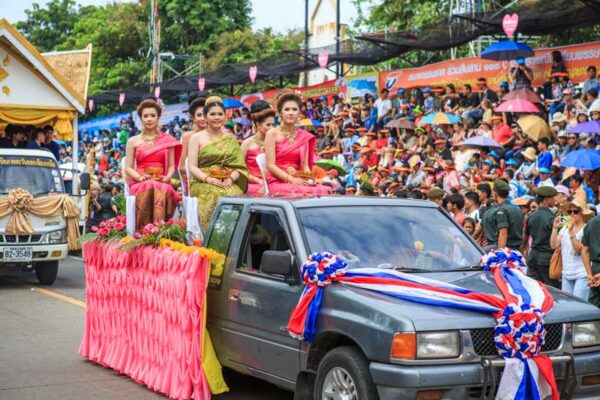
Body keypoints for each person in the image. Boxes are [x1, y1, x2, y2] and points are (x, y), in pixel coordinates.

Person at [188, 96, 249, 229]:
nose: (217, 117)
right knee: (216, 193)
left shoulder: (231, 139)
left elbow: (240, 168)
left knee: (235, 194)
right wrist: (208, 179)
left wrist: (230, 179)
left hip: (226, 179)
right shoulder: (196, 138)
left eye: (220, 114)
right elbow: (192, 166)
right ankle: (212, 236)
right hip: (202, 180)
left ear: (225, 116)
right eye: (212, 114)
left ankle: (234, 237)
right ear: (205, 117)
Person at [125, 99, 182, 232]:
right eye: (145, 116)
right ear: (140, 118)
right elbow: (128, 167)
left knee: (159, 186)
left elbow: (172, 166)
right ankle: (143, 231)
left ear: (158, 117)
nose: (149, 119)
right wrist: (139, 177)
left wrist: (167, 177)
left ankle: (159, 230)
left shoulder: (167, 140)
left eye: (153, 115)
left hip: (161, 179)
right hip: (140, 180)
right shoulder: (133, 141)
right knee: (149, 185)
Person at [263, 89, 332, 196]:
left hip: (298, 179)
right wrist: (290, 179)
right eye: (287, 109)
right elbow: (270, 165)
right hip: (278, 180)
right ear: (280, 112)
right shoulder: (272, 134)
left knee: (323, 189)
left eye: (294, 109)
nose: (291, 113)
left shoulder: (304, 136)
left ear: (299, 112)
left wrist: (310, 178)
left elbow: (305, 167)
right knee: (300, 191)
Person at [550, 199, 593, 301]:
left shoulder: (586, 228)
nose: (572, 214)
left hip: (582, 273)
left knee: (579, 305)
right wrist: (555, 229)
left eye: (575, 211)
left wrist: (571, 233)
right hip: (567, 273)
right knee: (568, 304)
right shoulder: (565, 228)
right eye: (570, 212)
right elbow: (554, 245)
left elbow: (579, 250)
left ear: (582, 213)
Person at [522, 186, 560, 288]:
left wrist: (524, 253)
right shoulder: (552, 218)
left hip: (533, 255)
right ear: (547, 199)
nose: (555, 199)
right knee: (551, 289)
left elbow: (525, 238)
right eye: (553, 197)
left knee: (533, 288)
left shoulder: (531, 216)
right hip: (546, 256)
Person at [241, 100, 276, 196]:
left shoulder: (277, 141)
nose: (271, 128)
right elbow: (240, 170)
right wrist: (257, 180)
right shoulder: (247, 144)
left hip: (273, 182)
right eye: (268, 125)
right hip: (254, 183)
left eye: (273, 124)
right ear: (257, 123)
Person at [482, 180, 523, 251]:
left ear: (495, 193)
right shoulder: (517, 209)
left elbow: (503, 234)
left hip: (501, 249)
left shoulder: (500, 211)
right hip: (515, 251)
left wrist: (500, 255)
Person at [178, 96, 206, 189]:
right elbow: (182, 167)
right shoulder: (187, 137)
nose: (203, 118)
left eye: (205, 114)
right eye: (199, 115)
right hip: (194, 181)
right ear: (193, 118)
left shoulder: (220, 136)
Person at [582, 211, 600, 308]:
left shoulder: (592, 222)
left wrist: (589, 274)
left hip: (595, 269)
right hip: (596, 269)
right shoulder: (592, 222)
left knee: (594, 309)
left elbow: (585, 250)